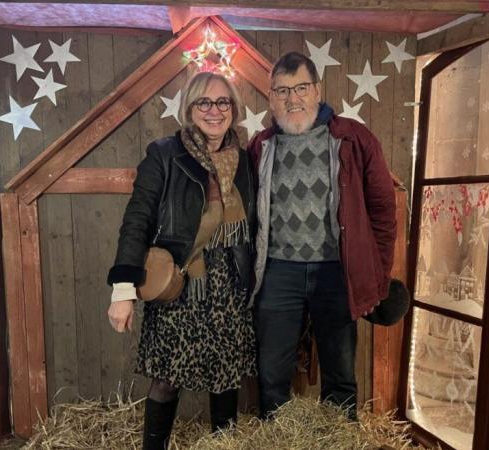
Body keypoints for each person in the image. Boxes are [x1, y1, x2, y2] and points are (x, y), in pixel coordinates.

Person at [107, 71, 257, 450]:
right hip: (182, 280)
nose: (214, 110)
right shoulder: (164, 154)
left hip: (228, 283)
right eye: (203, 102)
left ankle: (222, 445)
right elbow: (137, 218)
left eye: (222, 102)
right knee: (166, 378)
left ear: (233, 109)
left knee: (225, 376)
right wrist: (122, 289)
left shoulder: (244, 158)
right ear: (189, 110)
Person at [248, 52, 397, 420]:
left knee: (341, 369)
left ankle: (339, 437)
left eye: (300, 87)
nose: (292, 98)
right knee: (271, 370)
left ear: (317, 90)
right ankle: (276, 438)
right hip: (277, 270)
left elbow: (382, 210)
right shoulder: (260, 147)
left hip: (336, 270)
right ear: (271, 97)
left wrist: (376, 272)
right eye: (282, 90)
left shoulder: (353, 138)